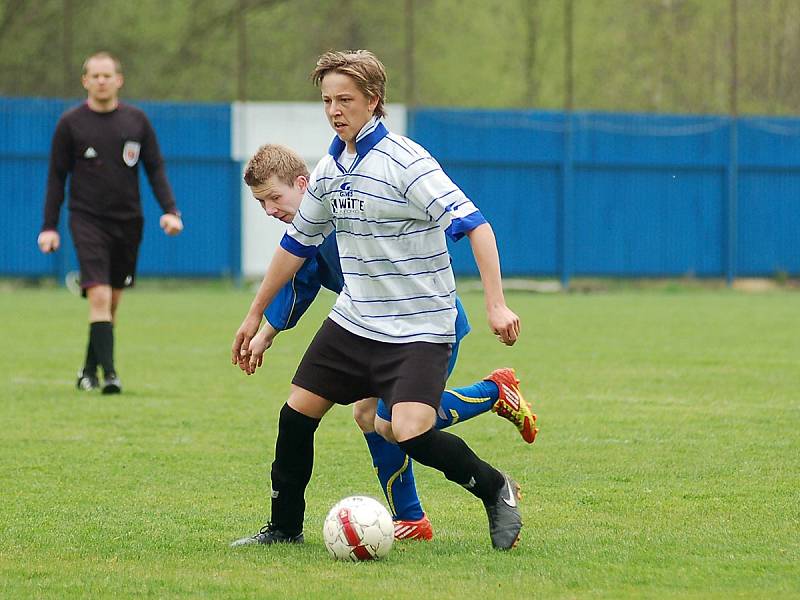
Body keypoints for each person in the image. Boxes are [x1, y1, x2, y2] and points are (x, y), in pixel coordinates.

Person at [231, 50, 524, 550]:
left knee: (406, 431)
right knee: (296, 414)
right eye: (327, 100)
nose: (334, 110)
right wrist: (254, 313)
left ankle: (497, 489)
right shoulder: (328, 171)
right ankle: (284, 527)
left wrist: (496, 304)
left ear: (374, 100)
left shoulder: (407, 163)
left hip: (419, 325)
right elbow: (296, 245)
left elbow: (476, 226)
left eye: (345, 99)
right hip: (356, 321)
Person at [37, 51, 184, 394]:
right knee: (99, 295)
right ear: (85, 81)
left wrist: (171, 211)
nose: (101, 81)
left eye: (108, 75)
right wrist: (48, 227)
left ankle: (88, 370)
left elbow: (155, 169)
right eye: (95, 75)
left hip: (129, 222)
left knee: (112, 302)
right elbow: (56, 178)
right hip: (86, 219)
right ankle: (111, 375)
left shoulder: (137, 122)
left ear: (119, 80)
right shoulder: (70, 123)